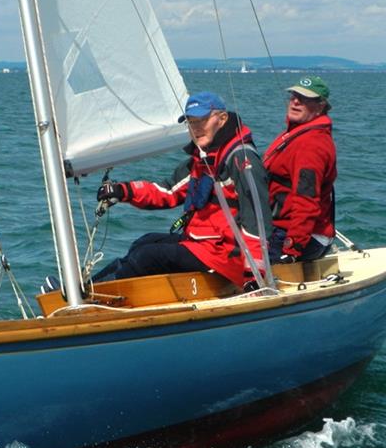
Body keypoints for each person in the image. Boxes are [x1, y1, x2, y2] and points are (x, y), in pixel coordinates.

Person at [86, 91, 272, 290]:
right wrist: (123, 191)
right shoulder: (202, 159)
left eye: (201, 120)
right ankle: (90, 290)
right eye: (190, 122)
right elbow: (168, 192)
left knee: (147, 256)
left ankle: (93, 295)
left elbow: (257, 220)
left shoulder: (241, 159)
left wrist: (254, 275)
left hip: (227, 258)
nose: (196, 129)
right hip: (203, 246)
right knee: (144, 243)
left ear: (222, 118)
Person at [263, 76, 337, 264]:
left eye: (305, 99)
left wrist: (292, 248)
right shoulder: (296, 134)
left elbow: (306, 200)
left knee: (239, 265)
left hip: (302, 236)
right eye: (294, 96)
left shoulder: (311, 146)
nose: (296, 101)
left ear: (320, 106)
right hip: (280, 227)